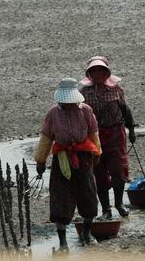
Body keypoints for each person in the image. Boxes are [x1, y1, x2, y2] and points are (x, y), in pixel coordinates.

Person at [34, 78, 102, 251]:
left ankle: (86, 232)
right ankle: (63, 241)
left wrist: (97, 153)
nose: (67, 105)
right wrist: (40, 161)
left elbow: (94, 134)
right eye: (64, 102)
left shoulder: (86, 111)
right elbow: (46, 139)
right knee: (61, 196)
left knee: (88, 193)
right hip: (62, 158)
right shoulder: (52, 114)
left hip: (84, 157)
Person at [79, 56, 136, 219]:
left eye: (100, 70)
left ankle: (119, 203)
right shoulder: (83, 93)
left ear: (106, 72)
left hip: (116, 134)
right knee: (99, 172)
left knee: (118, 170)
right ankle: (106, 208)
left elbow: (125, 110)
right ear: (89, 74)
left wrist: (131, 130)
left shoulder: (116, 89)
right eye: (93, 71)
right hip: (94, 136)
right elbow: (81, 117)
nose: (97, 73)